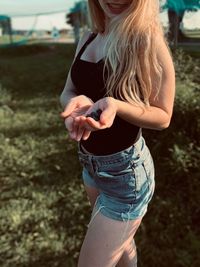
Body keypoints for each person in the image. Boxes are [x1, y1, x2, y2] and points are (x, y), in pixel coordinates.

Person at [60, 0, 175, 266]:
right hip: (91, 167)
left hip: (126, 176)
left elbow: (164, 116)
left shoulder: (145, 40)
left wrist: (117, 106)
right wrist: (73, 108)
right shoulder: (88, 38)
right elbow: (68, 91)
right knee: (123, 245)